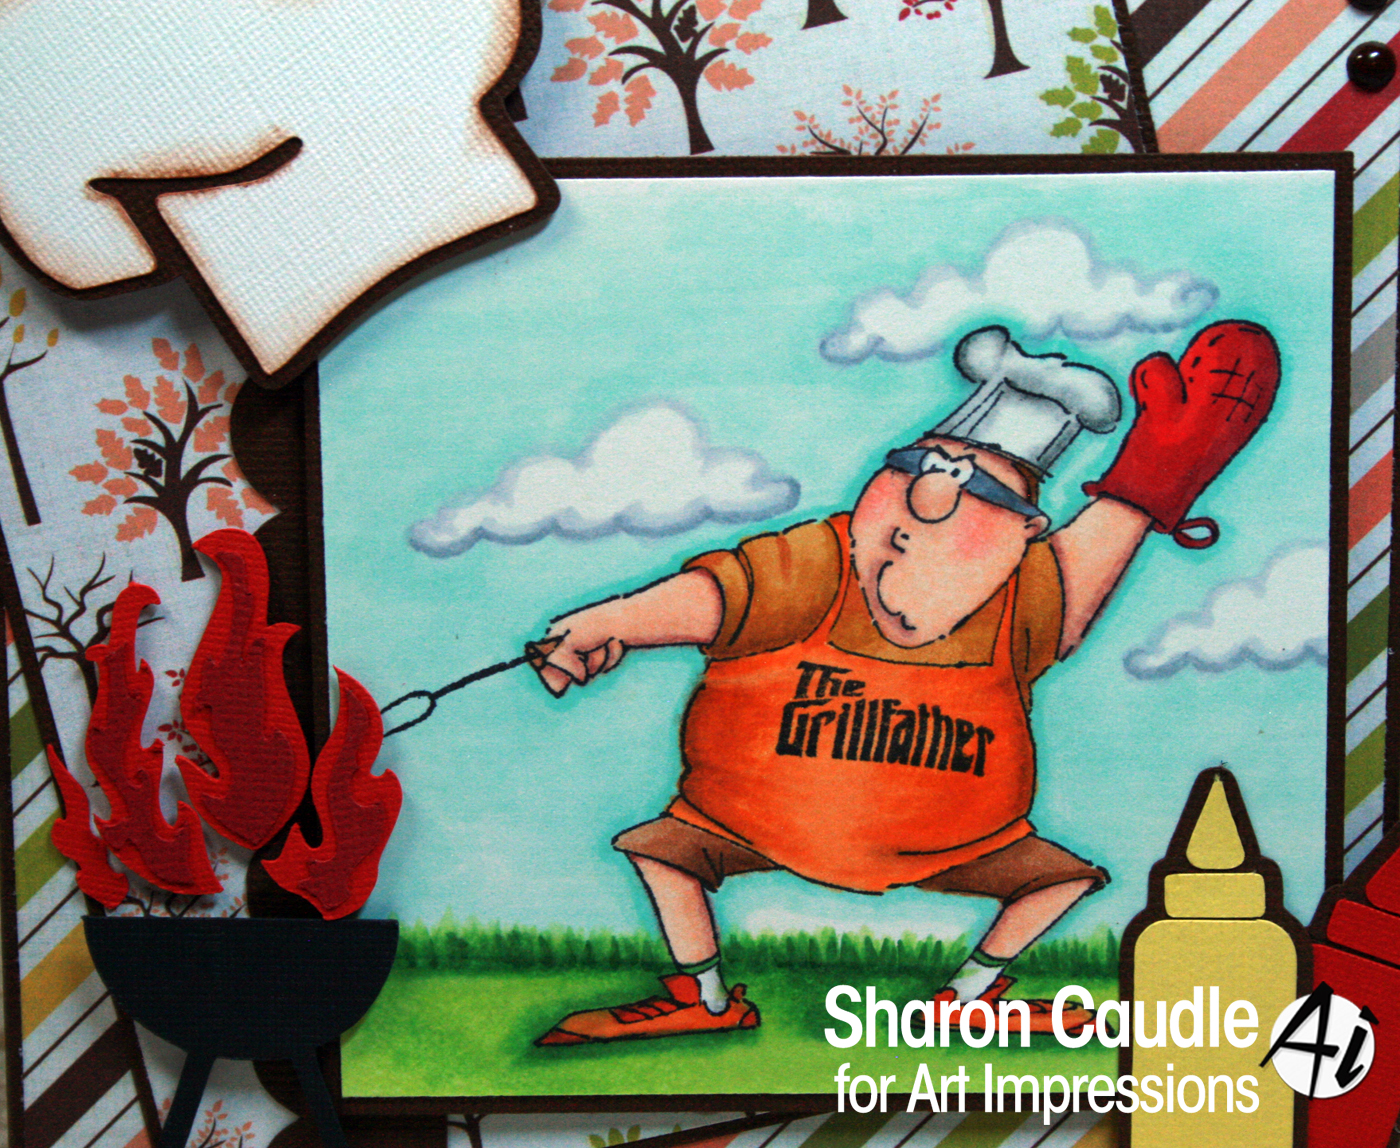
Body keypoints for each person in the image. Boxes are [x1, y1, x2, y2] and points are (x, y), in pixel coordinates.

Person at [532, 321, 1280, 1045]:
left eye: (973, 495)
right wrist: (610, 621)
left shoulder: (1023, 594)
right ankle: (703, 998)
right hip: (744, 819)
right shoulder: (820, 564)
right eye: (916, 473)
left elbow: (1091, 561)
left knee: (1056, 879)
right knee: (665, 852)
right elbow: (722, 596)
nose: (924, 511)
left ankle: (964, 999)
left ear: (1024, 529)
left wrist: (1153, 479)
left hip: (958, 840)